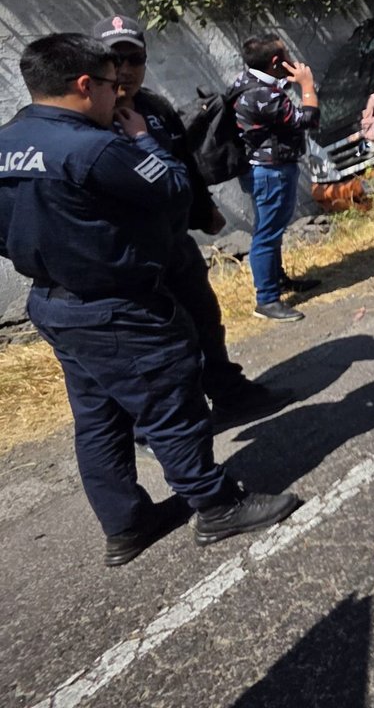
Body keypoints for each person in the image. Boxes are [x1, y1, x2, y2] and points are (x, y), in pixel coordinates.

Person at [0, 34, 300, 566]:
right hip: (117, 306)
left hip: (54, 303)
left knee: (100, 418)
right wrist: (142, 140)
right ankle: (215, 505)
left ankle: (126, 523)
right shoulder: (93, 147)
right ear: (84, 85)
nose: (119, 96)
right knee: (167, 401)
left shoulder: (6, 145)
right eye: (112, 86)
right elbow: (174, 189)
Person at [91, 13, 276, 416]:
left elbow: (183, 162)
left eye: (133, 59)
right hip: (130, 257)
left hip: (175, 242)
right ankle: (175, 419)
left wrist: (204, 208)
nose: (125, 69)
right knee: (162, 342)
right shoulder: (87, 116)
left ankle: (227, 389)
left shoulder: (154, 106)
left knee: (205, 318)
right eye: (114, 59)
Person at [230, 36, 321, 322]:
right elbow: (307, 120)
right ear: (274, 62)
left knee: (271, 230)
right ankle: (266, 300)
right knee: (267, 234)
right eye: (286, 54)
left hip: (262, 168)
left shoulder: (245, 83)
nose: (292, 57)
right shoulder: (263, 95)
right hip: (271, 170)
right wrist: (307, 86)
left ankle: (277, 281)